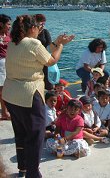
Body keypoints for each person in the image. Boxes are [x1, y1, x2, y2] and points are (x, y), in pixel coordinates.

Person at [3, 14, 74, 177]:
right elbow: (51, 60)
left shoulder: (14, 43)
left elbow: (41, 54)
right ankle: (33, 173)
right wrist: (61, 45)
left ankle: (23, 168)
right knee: (36, 134)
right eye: (39, 28)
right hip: (28, 94)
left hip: (11, 93)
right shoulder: (33, 43)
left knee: (20, 132)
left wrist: (56, 42)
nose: (40, 30)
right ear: (32, 28)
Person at [35, 14, 53, 91]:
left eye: (44, 24)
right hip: (34, 60)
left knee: (48, 80)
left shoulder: (45, 32)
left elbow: (50, 45)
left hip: (44, 58)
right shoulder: (30, 34)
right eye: (41, 24)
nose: (43, 26)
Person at [0, 14, 11, 120]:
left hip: (8, 64)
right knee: (2, 89)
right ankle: (4, 112)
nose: (9, 26)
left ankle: (6, 110)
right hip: (1, 66)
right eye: (8, 24)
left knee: (6, 88)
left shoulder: (9, 35)